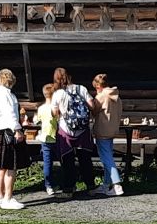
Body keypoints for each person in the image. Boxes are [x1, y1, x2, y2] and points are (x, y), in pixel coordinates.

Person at [50, 66, 98, 195]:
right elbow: (92, 105)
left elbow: (54, 113)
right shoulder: (81, 88)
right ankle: (91, 187)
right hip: (83, 129)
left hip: (66, 130)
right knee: (85, 159)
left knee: (67, 160)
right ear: (69, 76)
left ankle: (69, 189)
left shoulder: (58, 94)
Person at [0, 67, 24, 210]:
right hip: (7, 131)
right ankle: (8, 198)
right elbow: (9, 112)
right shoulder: (5, 94)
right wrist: (17, 129)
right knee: (10, 166)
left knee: (1, 166)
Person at [90, 73, 126, 196]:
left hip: (102, 130)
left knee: (107, 159)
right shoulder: (117, 96)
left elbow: (94, 111)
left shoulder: (101, 96)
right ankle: (106, 185)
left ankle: (117, 185)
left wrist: (94, 100)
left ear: (98, 86)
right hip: (112, 130)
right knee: (108, 157)